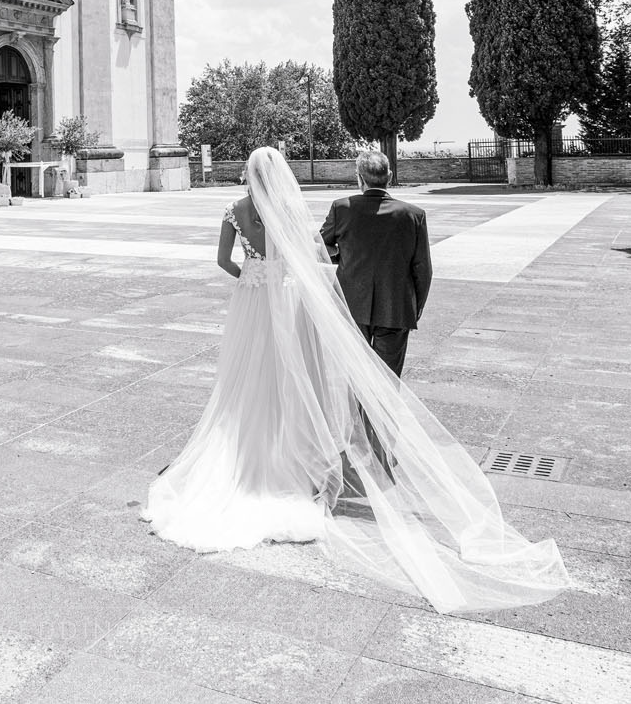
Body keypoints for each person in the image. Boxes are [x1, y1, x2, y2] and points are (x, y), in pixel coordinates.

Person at [142, 146, 569, 614]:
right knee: (337, 382)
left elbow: (240, 259)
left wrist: (254, 274)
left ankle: (287, 453)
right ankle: (364, 455)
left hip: (263, 303)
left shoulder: (270, 210)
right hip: (341, 309)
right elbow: (394, 268)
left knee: (248, 382)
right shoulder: (382, 213)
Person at [320, 150, 430, 377]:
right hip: (396, 305)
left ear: (359, 178)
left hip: (352, 303)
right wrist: (416, 306)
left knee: (356, 376)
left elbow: (321, 245)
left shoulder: (342, 208)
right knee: (387, 379)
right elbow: (423, 269)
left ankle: (359, 414)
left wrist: (342, 256)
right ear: (389, 176)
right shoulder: (414, 215)